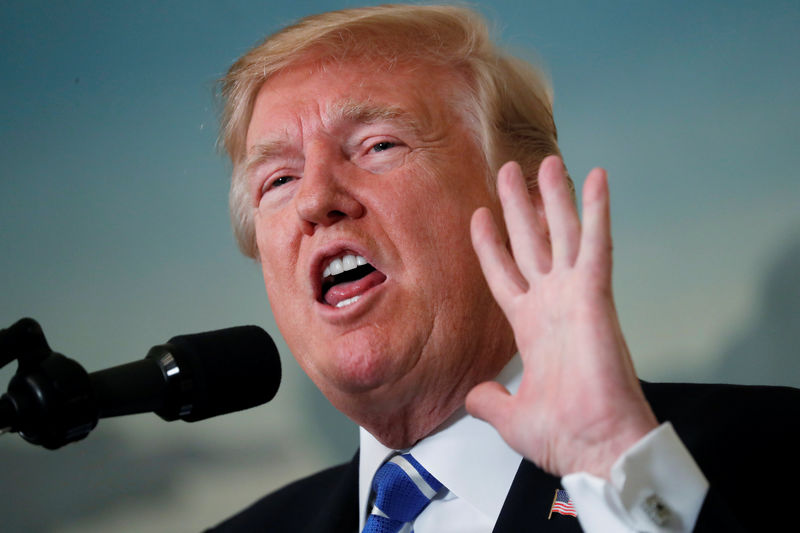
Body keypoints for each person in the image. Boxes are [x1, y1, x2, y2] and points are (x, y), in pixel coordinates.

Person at [208, 4, 799, 532]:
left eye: (378, 145)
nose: (314, 200)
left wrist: (609, 462)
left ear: (531, 209)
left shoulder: (769, 451)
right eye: (278, 179)